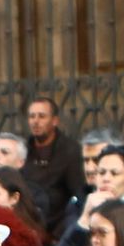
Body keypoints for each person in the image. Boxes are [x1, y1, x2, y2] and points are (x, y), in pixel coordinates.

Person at [22, 96, 84, 235]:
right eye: (32, 116)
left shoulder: (70, 151)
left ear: (55, 121)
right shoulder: (23, 150)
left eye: (42, 116)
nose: (36, 121)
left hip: (58, 227)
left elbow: (77, 191)